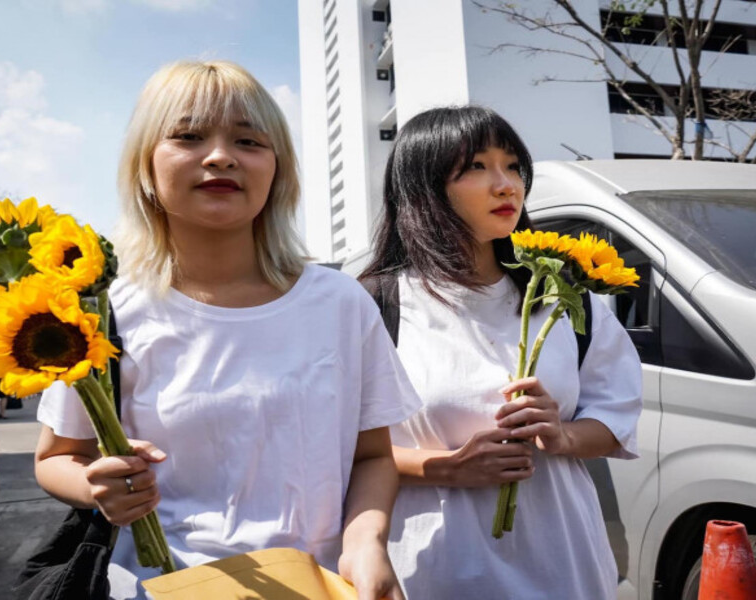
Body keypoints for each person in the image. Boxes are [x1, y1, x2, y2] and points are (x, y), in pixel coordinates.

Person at [34, 60, 420, 600]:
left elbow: (374, 456)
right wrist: (96, 486)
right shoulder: (101, 311)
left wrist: (366, 541)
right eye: (188, 136)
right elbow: (56, 457)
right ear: (144, 165)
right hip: (153, 588)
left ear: (277, 169)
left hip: (317, 586)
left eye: (249, 140)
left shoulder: (340, 302)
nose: (220, 156)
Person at [359, 106, 642, 599]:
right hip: (436, 565)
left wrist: (563, 435)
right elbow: (340, 450)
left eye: (513, 166)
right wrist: (443, 467)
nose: (506, 184)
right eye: (476, 167)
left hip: (564, 559)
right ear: (423, 186)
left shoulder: (564, 298)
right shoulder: (373, 304)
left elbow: (615, 417)